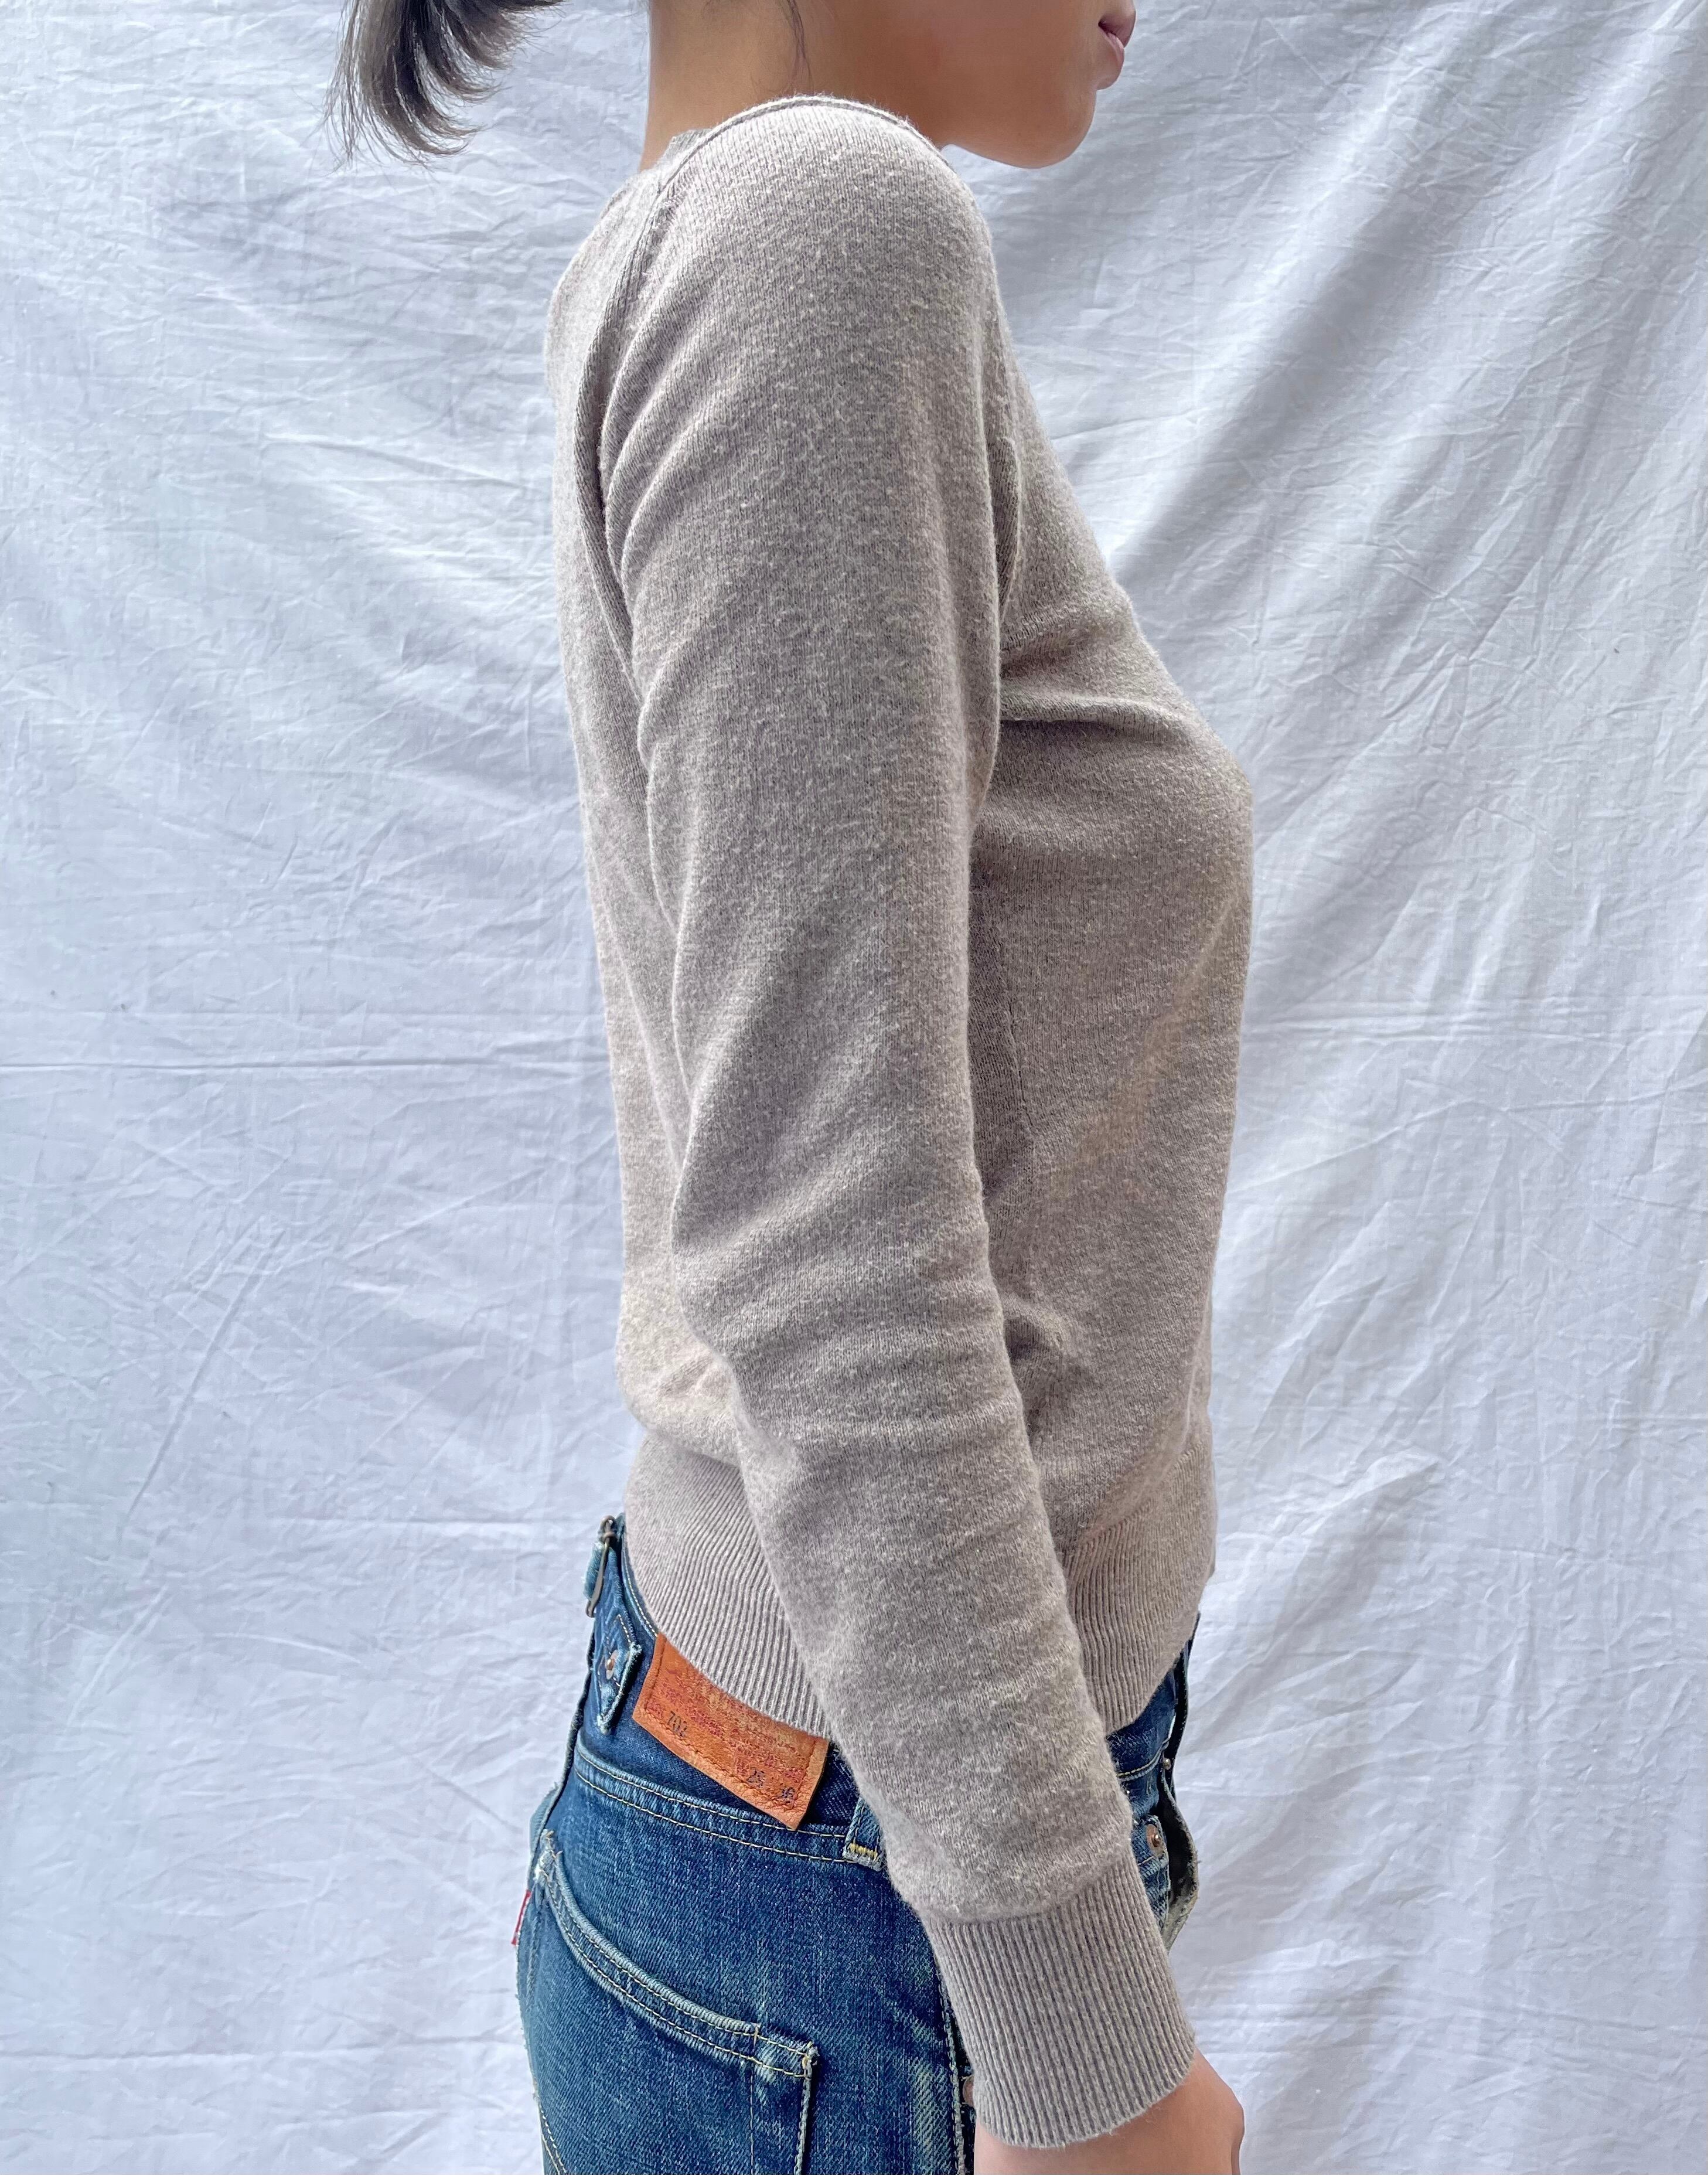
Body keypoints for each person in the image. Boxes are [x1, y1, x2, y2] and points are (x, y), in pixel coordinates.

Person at [328, 4, 1253, 2169]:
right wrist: (1083, 2046)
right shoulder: (811, 234)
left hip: (842, 1828)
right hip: (860, 1898)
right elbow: (825, 1235)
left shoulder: (725, 241)